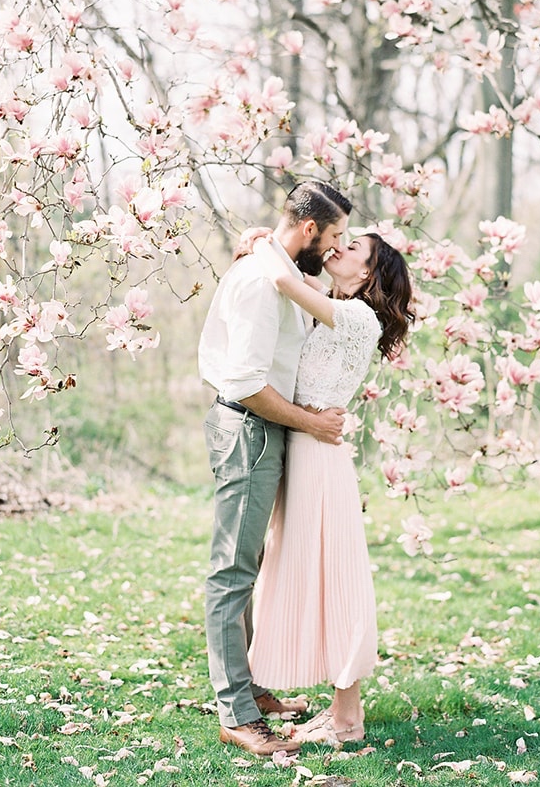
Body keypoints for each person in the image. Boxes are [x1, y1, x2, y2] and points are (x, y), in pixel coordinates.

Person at [198, 181, 352, 758]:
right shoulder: (263, 284)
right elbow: (247, 385)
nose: (336, 249)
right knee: (232, 570)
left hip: (262, 431)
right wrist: (311, 424)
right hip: (248, 430)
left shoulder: (280, 269)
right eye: (333, 236)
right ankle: (235, 712)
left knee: (250, 564)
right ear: (310, 229)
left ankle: (250, 689)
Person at [247, 231, 414, 746]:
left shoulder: (359, 316)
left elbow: (280, 276)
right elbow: (295, 276)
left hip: (320, 457)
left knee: (337, 580)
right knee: (316, 577)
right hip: (305, 448)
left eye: (354, 248)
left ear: (368, 274)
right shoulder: (334, 307)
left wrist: (261, 244)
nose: (339, 248)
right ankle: (340, 711)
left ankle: (347, 720)